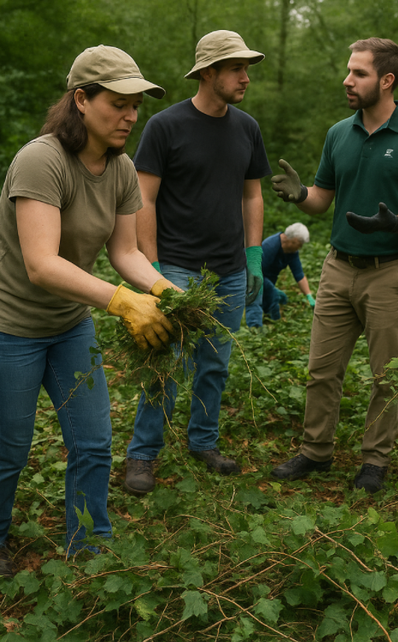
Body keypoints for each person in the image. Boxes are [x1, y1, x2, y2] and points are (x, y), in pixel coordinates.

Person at [0, 45, 175, 577]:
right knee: (9, 450)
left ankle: (90, 546)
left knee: (94, 441)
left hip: (70, 324)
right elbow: (42, 264)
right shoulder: (41, 159)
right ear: (81, 99)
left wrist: (167, 293)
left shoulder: (121, 168)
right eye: (118, 102)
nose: (130, 115)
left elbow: (125, 253)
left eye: (136, 104)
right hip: (13, 328)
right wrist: (123, 303)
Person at [269, 37, 398, 493]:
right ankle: (315, 451)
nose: (347, 81)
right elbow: (323, 199)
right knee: (321, 369)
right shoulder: (338, 134)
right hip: (337, 267)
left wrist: (397, 223)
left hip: (390, 271)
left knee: (387, 376)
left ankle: (375, 462)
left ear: (387, 80)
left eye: (359, 74)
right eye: (349, 72)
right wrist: (301, 196)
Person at [124, 30, 271, 495]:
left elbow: (252, 195)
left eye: (247, 69)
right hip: (178, 266)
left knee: (215, 364)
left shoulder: (246, 127)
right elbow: (143, 198)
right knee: (164, 363)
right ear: (209, 73)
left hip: (228, 270)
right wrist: (153, 269)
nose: (246, 78)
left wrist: (252, 258)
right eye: (236, 69)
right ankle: (142, 455)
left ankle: (203, 442)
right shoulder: (165, 126)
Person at [245, 223, 315, 328]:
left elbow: (299, 274)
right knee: (267, 298)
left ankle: (268, 319)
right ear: (293, 240)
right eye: (300, 244)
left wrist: (309, 295)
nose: (300, 247)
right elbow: (256, 270)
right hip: (256, 276)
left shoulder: (292, 252)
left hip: (269, 279)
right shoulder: (270, 246)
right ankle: (265, 327)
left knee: (282, 298)